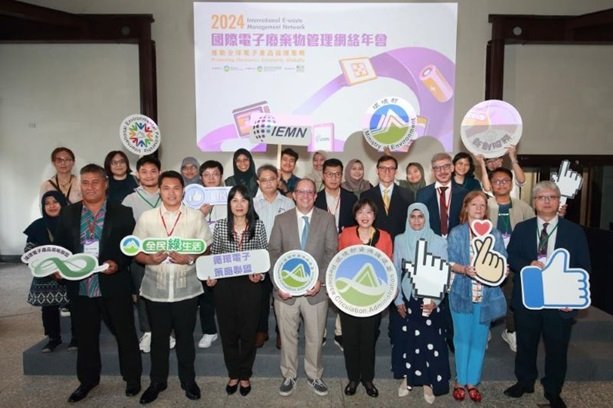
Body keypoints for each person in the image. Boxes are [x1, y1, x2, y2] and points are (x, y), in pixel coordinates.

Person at [54, 164, 141, 403]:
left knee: (125, 334)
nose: (90, 187)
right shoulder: (68, 213)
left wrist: (119, 263)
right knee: (85, 337)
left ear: (105, 184)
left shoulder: (123, 213)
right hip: (81, 287)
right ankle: (88, 381)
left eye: (95, 182)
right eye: (85, 182)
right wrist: (58, 269)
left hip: (113, 285)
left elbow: (131, 248)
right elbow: (60, 249)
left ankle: (132, 379)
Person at [504, 181, 590, 408]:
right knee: (526, 344)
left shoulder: (574, 231)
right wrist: (528, 264)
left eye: (552, 197)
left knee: (557, 347)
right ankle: (524, 381)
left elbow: (583, 266)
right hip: (529, 298)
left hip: (559, 300)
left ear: (558, 201)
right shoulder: (522, 228)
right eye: (542, 197)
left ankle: (553, 389)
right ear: (534, 202)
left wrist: (573, 299)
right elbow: (511, 256)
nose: (547, 201)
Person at [133, 171, 213, 404]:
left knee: (186, 338)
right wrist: (149, 259)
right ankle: (157, 381)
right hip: (155, 288)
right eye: (166, 188)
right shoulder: (147, 218)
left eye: (176, 188)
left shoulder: (195, 217)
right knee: (158, 338)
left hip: (186, 289)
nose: (171, 192)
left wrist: (189, 258)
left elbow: (206, 248)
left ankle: (188, 381)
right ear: (159, 189)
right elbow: (135, 251)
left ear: (183, 190)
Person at [269, 178, 338, 397]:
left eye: (310, 192)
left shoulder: (327, 219)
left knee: (315, 336)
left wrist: (321, 280)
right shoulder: (282, 220)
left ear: (315, 196)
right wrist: (278, 283)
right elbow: (273, 252)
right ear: (294, 195)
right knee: (288, 336)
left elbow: (331, 253)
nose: (306, 196)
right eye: (301, 192)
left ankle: (314, 375)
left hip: (315, 292)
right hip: (286, 293)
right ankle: (289, 375)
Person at [206, 185, 268, 396]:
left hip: (251, 286)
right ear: (229, 204)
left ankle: (245, 374)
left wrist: (259, 273)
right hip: (225, 286)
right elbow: (215, 256)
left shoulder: (258, 226)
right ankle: (233, 373)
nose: (239, 204)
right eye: (234, 200)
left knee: (248, 333)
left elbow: (264, 254)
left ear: (249, 203)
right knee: (229, 332)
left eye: (243, 200)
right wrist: (211, 276)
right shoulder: (221, 226)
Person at [447, 191, 507, 403]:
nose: (479, 208)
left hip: (486, 296)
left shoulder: (495, 234)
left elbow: (502, 261)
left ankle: (472, 381)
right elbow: (449, 261)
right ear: (466, 208)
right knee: (461, 339)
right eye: (474, 204)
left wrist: (502, 270)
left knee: (479, 340)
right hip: (461, 293)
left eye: (482, 205)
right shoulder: (457, 233)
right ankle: (459, 381)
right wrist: (463, 269)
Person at [392, 203, 451, 404]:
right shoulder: (400, 240)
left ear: (427, 218)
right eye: (412, 217)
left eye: (420, 217)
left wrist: (436, 301)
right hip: (408, 297)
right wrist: (397, 299)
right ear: (408, 219)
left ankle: (428, 382)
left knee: (430, 341)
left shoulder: (438, 242)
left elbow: (444, 273)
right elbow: (395, 271)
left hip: (430, 298)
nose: (416, 221)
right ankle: (408, 379)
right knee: (409, 340)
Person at [337, 198, 393, 398]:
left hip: (373, 299)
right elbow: (339, 263)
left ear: (374, 216)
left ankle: (368, 379)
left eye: (369, 212)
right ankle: (353, 378)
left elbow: (389, 268)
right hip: (349, 298)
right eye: (361, 212)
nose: (365, 216)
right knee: (350, 339)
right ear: (355, 215)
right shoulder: (346, 234)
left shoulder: (384, 237)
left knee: (369, 340)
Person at [121, 155, 169, 354]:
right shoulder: (130, 199)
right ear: (137, 174)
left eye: (153, 171)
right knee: (143, 293)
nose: (149, 175)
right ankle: (147, 330)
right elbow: (125, 229)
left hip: (168, 253)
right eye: (144, 171)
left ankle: (168, 331)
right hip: (140, 255)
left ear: (159, 172)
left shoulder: (168, 194)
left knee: (166, 292)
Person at [487, 167, 535, 352]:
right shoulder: (485, 204)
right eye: (497, 181)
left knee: (513, 297)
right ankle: (485, 330)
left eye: (505, 180)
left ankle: (511, 331)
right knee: (486, 296)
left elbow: (534, 229)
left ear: (511, 183)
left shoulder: (523, 206)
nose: (501, 184)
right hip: (489, 260)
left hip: (515, 260)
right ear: (491, 184)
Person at [23, 191, 76, 352]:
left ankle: (77, 338)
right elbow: (29, 250)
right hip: (46, 274)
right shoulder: (37, 225)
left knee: (75, 306)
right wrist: (47, 267)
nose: (51, 206)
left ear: (63, 203)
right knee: (48, 309)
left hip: (70, 272)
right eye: (47, 203)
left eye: (55, 202)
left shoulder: (72, 222)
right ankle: (53, 338)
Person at [314, 158, 357, 350]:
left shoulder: (351, 198)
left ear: (342, 175)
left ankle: (340, 332)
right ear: (323, 176)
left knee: (343, 291)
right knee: (321, 291)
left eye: (337, 174)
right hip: (321, 252)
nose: (333, 178)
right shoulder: (315, 198)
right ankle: (320, 332)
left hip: (344, 251)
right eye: (329, 174)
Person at [253, 164, 295, 349]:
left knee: (282, 296)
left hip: (282, 256)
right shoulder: (251, 204)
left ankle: (281, 332)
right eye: (264, 180)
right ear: (258, 182)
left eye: (272, 179)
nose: (268, 183)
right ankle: (261, 331)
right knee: (259, 297)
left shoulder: (288, 203)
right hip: (259, 256)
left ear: (278, 180)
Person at [196, 160, 227, 349]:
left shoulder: (230, 196)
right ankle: (209, 331)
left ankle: (227, 330)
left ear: (221, 176)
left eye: (215, 174)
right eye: (206, 175)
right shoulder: (192, 199)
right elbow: (187, 226)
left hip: (225, 253)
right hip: (203, 255)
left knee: (226, 296)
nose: (211, 178)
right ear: (201, 178)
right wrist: (201, 213)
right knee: (206, 296)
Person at [361, 155, 414, 239]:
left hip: (400, 244)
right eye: (383, 168)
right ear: (377, 170)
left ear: (396, 172)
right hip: (375, 244)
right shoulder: (366, 195)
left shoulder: (407, 194)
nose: (387, 171)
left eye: (391, 168)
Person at [417, 152, 469, 237]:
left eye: (446, 166)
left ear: (452, 168)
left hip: (457, 242)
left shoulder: (464, 194)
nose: (442, 171)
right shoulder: (423, 194)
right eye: (437, 168)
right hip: (431, 243)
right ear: (433, 172)